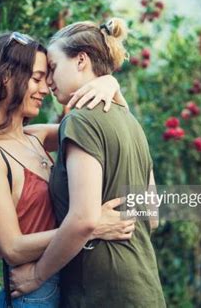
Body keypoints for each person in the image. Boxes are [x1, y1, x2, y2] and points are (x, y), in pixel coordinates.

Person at [0, 31, 136, 307]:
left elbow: (105, 132)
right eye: (38, 78)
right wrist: (91, 226)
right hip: (31, 293)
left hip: (62, 280)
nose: (46, 87)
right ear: (5, 76)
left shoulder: (35, 136)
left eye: (47, 76)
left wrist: (110, 83)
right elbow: (10, 248)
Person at [10, 18, 166, 307]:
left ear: (81, 60)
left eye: (54, 69)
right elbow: (153, 216)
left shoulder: (80, 121)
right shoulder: (131, 123)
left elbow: (83, 219)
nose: (48, 81)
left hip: (104, 293)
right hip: (143, 287)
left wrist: (36, 275)